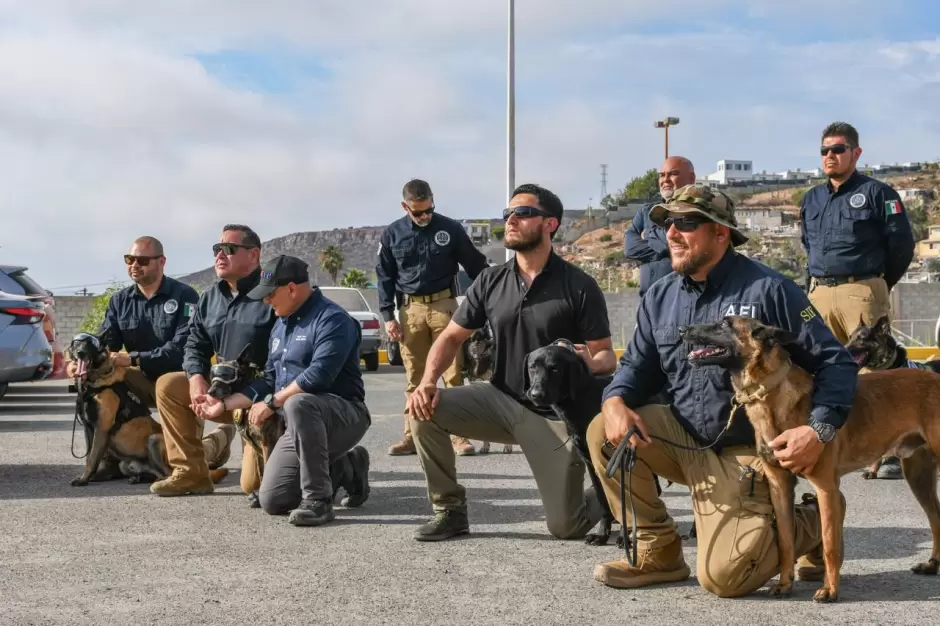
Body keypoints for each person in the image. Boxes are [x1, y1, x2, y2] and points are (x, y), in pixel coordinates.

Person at [586, 183, 859, 597]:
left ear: (721, 233)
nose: (672, 233)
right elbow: (636, 368)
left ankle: (811, 523)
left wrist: (817, 430)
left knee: (725, 579)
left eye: (686, 223)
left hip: (747, 450)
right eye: (666, 224)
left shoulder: (770, 289)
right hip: (685, 439)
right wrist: (614, 400)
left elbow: (835, 362)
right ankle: (659, 553)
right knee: (603, 433)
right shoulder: (660, 296)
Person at [407, 183, 617, 542]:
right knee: (423, 410)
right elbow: (452, 336)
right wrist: (427, 381)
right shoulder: (491, 280)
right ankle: (449, 511)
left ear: (549, 224)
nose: (511, 220)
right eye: (508, 214)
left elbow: (606, 356)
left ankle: (610, 496)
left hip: (553, 418)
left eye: (523, 213)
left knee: (565, 527)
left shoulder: (578, 285)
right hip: (500, 399)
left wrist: (586, 363)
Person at [199, 255, 372, 526]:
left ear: (291, 289)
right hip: (299, 425)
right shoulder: (281, 324)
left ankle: (318, 501)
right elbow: (270, 378)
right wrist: (224, 405)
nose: (266, 301)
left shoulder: (333, 320)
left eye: (270, 294)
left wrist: (273, 401)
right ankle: (346, 468)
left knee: (298, 403)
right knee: (273, 500)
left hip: (343, 415)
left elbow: (319, 375)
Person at [800, 121, 915, 479]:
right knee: (821, 368)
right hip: (819, 292)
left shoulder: (878, 193)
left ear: (856, 153)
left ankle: (894, 450)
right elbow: (808, 245)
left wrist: (877, 285)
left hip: (861, 288)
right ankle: (830, 439)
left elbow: (902, 246)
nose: (830, 156)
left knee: (877, 371)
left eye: (838, 149)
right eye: (825, 150)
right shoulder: (811, 199)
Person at [67, 235, 234, 470]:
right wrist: (77, 362)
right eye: (130, 259)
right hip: (142, 378)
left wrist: (133, 358)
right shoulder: (120, 301)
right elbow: (105, 344)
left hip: (180, 382)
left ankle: (218, 441)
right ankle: (107, 459)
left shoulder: (185, 297)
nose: (135, 265)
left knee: (182, 462)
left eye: (142, 260)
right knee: (95, 381)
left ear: (161, 261)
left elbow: (181, 350)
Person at [150, 224, 277, 497]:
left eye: (229, 249)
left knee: (254, 487)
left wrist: (250, 398)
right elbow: (194, 344)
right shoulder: (210, 298)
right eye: (217, 249)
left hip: (262, 400)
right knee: (170, 385)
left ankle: (341, 463)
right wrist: (196, 378)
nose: (220, 254)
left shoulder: (272, 294)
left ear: (254, 255)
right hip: (221, 390)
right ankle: (191, 473)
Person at [376, 178, 490, 457]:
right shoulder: (392, 234)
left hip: (445, 307)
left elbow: (476, 266)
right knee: (415, 377)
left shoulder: (450, 229)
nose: (425, 216)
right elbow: (384, 276)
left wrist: (494, 295)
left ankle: (460, 437)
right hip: (410, 310)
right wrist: (388, 316)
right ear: (405, 206)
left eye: (429, 209)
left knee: (453, 375)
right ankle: (411, 437)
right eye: (418, 212)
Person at [625, 156, 697, 297]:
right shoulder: (646, 212)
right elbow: (630, 248)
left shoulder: (696, 211)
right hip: (647, 302)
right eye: (662, 175)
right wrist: (668, 250)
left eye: (673, 174)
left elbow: (686, 242)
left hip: (681, 299)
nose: (665, 180)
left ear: (691, 178)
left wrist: (648, 235)